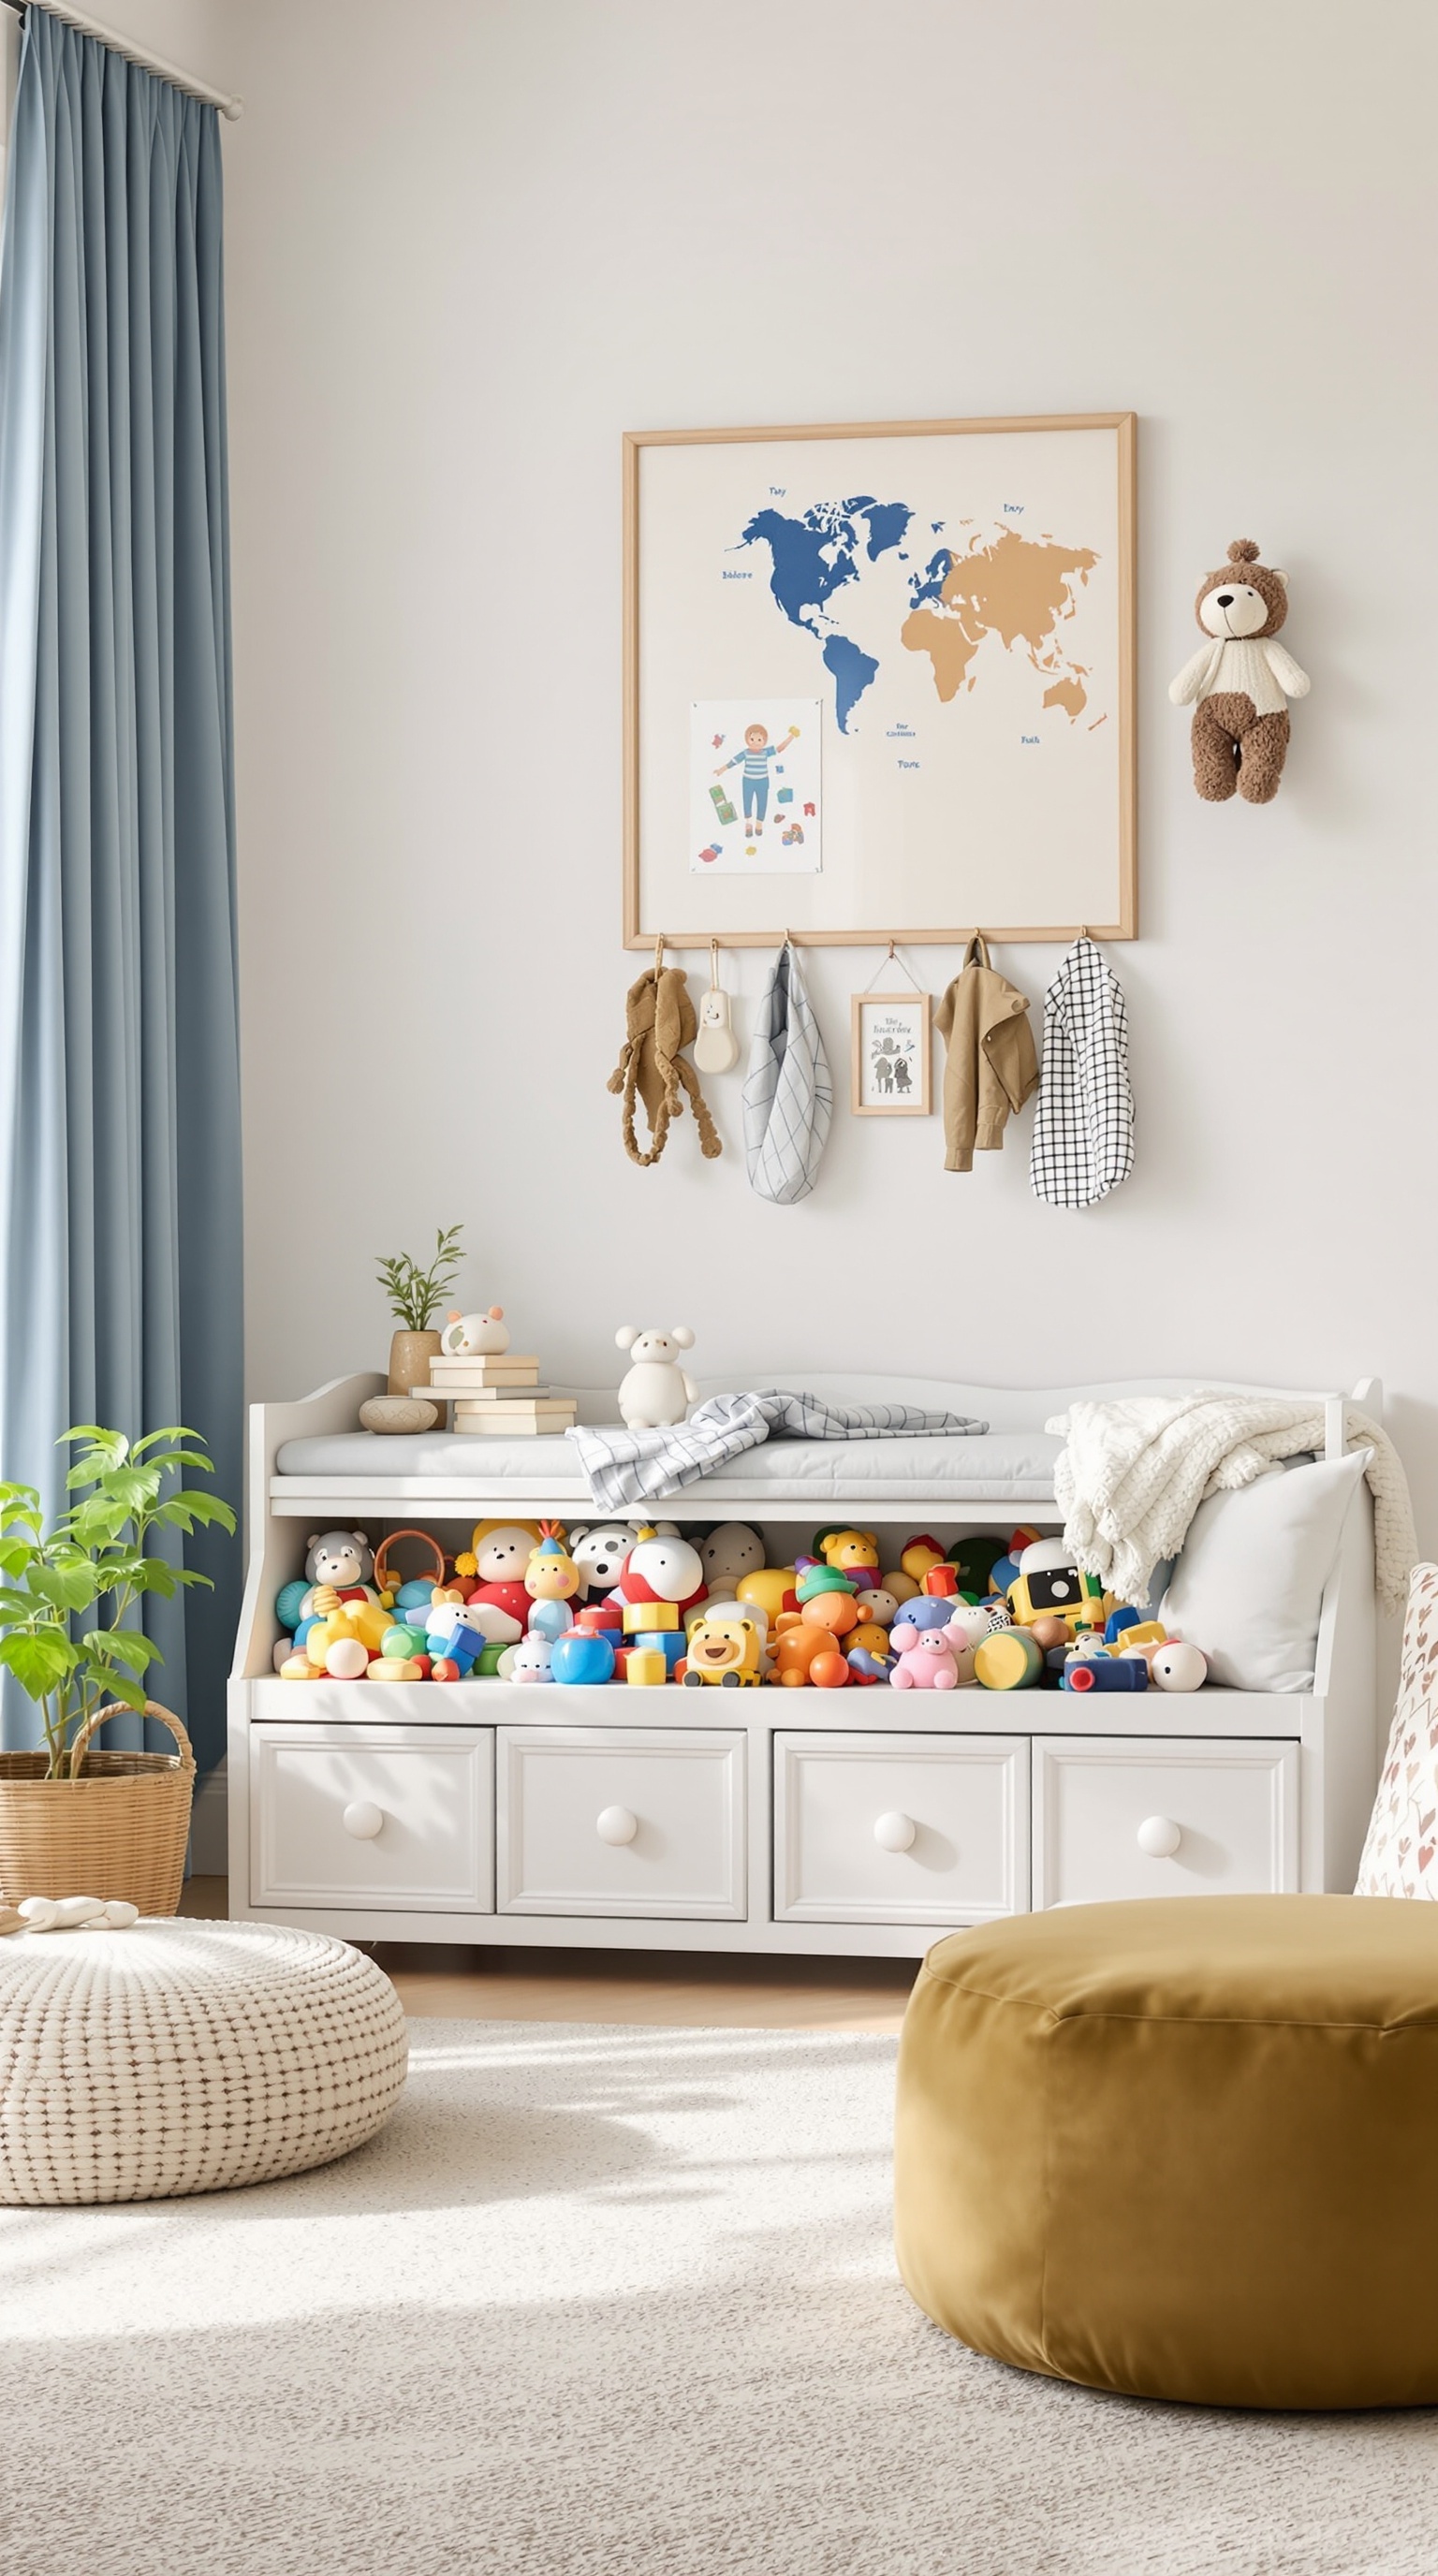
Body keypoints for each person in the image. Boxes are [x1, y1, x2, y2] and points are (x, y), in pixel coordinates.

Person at [714, 722, 800, 838]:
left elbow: (780, 748)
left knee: (762, 802)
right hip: (748, 781)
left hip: (763, 781)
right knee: (747, 801)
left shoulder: (765, 752)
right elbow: (734, 761)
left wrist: (791, 737)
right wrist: (721, 769)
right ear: (747, 739)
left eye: (759, 740)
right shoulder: (745, 752)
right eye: (752, 739)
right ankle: (748, 823)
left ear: (764, 741)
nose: (755, 742)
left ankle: (759, 823)